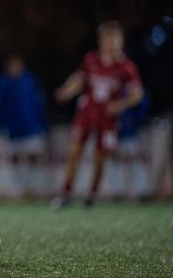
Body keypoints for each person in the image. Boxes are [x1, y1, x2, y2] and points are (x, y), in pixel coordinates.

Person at [51, 20, 143, 209]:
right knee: (74, 152)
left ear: (120, 41)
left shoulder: (126, 67)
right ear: (101, 40)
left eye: (114, 38)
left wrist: (120, 104)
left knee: (100, 158)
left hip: (108, 118)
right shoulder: (90, 59)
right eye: (107, 38)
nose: (110, 42)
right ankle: (66, 194)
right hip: (87, 112)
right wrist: (66, 91)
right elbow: (79, 79)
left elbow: (137, 94)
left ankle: (91, 195)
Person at [0, 54, 47, 197]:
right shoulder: (3, 83)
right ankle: (17, 188)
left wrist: (42, 124)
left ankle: (32, 186)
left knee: (33, 156)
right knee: (14, 157)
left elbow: (38, 104)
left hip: (30, 126)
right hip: (13, 128)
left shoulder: (29, 81)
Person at [109, 89, 151, 200]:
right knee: (116, 161)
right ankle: (117, 192)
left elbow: (143, 107)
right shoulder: (115, 91)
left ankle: (142, 191)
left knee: (136, 160)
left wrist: (135, 121)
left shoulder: (134, 90)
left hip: (131, 133)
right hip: (116, 134)